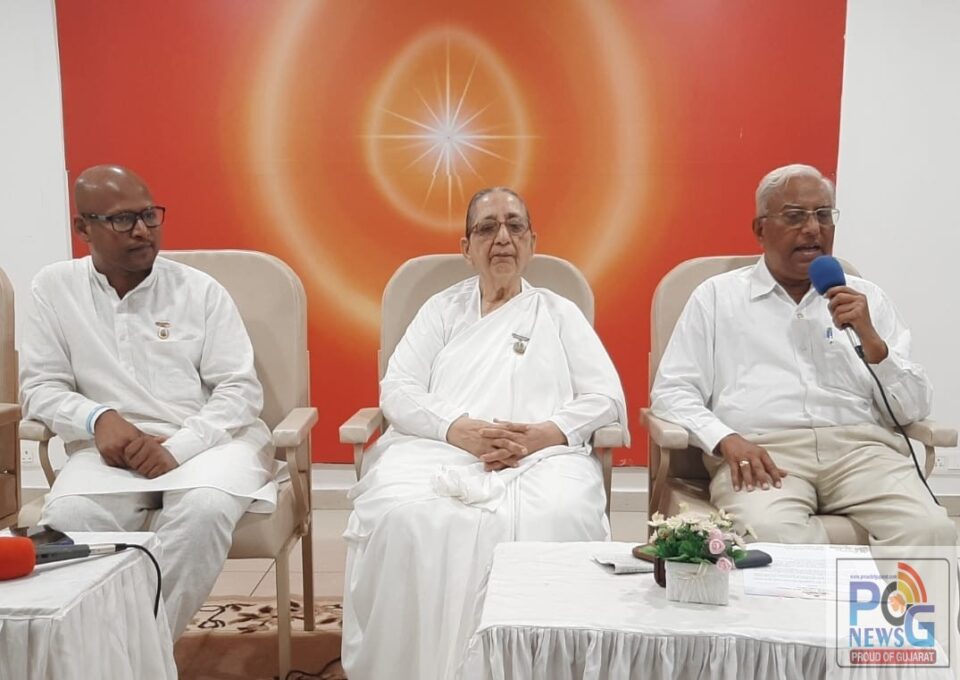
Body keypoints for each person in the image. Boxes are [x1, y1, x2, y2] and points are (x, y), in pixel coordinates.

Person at [341, 187, 629, 680]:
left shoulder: (559, 313)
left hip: (542, 457)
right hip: (438, 449)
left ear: (532, 242)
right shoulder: (440, 311)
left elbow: (604, 397)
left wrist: (543, 434)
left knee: (557, 514)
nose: (502, 239)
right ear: (467, 247)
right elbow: (398, 389)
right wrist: (458, 429)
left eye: (515, 226)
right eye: (487, 228)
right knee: (403, 516)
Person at [19, 165, 277, 638]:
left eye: (149, 215)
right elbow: (40, 387)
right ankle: (118, 651)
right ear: (83, 229)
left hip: (209, 445)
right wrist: (97, 417)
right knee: (70, 517)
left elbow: (239, 391)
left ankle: (139, 656)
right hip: (109, 452)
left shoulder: (199, 290)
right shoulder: (53, 288)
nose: (142, 230)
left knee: (203, 509)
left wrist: (178, 447)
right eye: (123, 220)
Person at [650, 163, 955, 547]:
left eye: (823, 215)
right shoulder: (716, 297)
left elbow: (912, 408)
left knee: (932, 531)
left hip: (863, 453)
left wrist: (873, 342)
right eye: (795, 216)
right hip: (764, 453)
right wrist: (726, 438)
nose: (813, 228)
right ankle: (818, 592)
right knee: (771, 534)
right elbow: (673, 392)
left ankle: (891, 593)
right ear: (760, 229)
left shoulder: (865, 298)